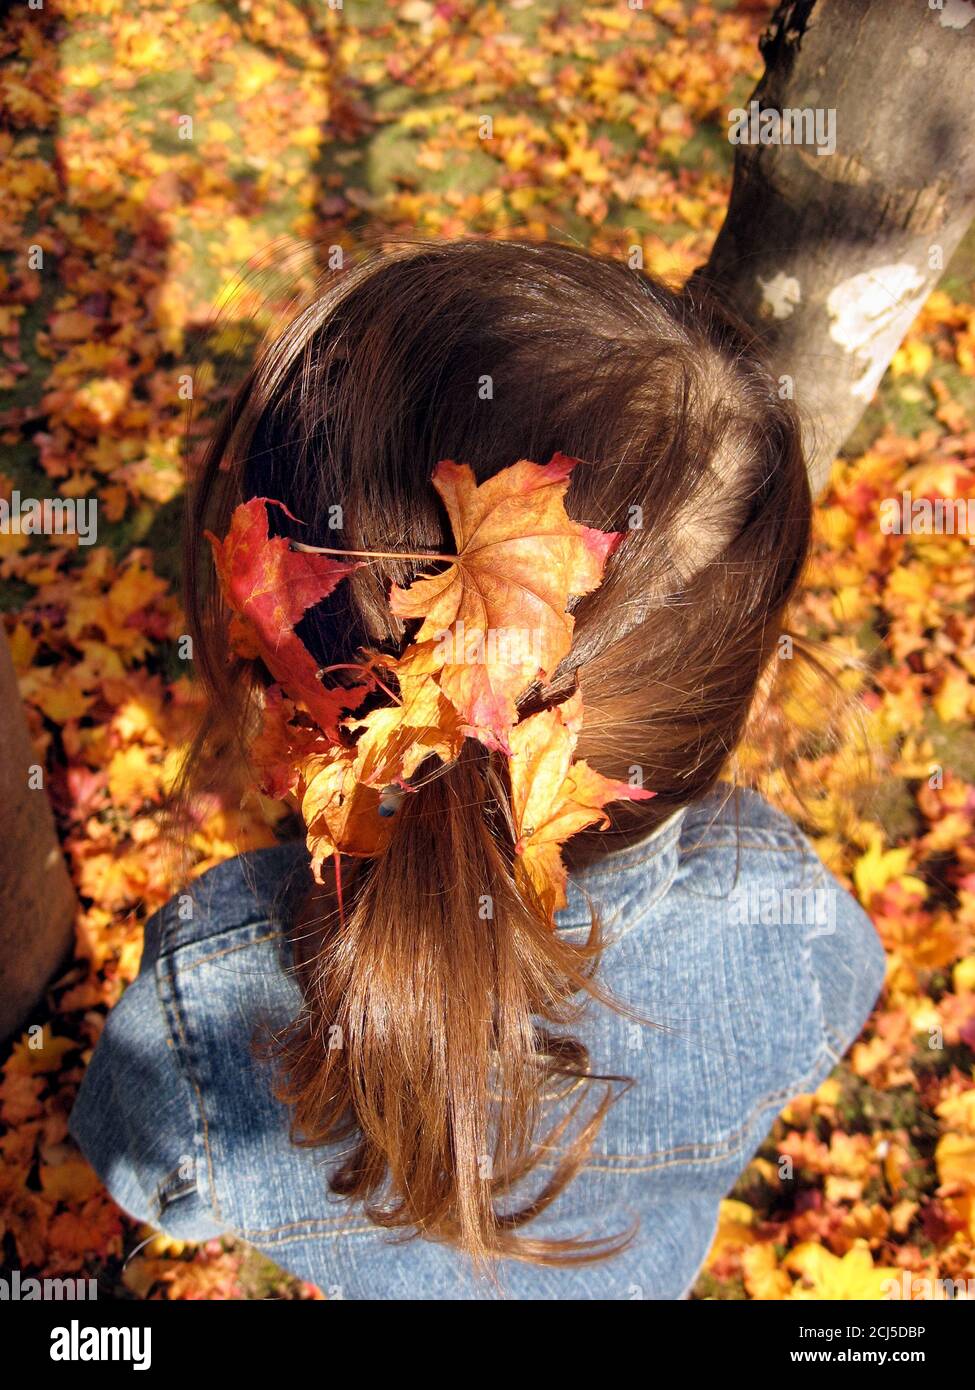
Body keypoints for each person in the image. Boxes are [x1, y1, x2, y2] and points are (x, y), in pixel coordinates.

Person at [70, 239, 886, 1299]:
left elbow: (147, 1173)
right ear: (729, 704)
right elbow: (839, 1000)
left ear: (268, 661)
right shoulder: (786, 914)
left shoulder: (211, 985)